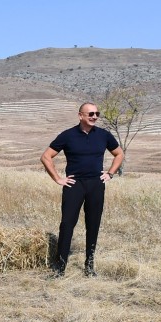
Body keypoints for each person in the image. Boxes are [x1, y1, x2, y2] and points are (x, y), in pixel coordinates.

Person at [41, 102, 124, 277]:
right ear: (80, 115)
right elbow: (46, 157)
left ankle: (89, 265)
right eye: (91, 114)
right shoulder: (68, 135)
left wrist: (110, 173)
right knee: (67, 224)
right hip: (74, 184)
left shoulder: (104, 135)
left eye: (97, 114)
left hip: (96, 184)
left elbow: (119, 154)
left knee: (93, 225)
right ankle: (60, 267)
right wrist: (57, 178)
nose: (94, 117)